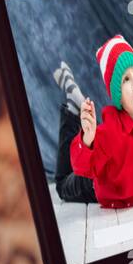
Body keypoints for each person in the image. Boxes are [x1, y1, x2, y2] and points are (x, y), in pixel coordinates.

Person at [70, 35, 133, 220]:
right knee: (64, 184)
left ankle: (74, 100)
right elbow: (81, 167)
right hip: (93, 187)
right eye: (126, 79)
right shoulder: (110, 131)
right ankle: (70, 105)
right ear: (117, 95)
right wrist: (87, 138)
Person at [52, 60, 96, 204]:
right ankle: (74, 107)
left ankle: (74, 107)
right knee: (63, 183)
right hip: (101, 180)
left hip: (99, 176)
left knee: (62, 184)